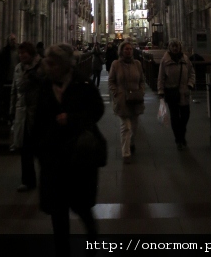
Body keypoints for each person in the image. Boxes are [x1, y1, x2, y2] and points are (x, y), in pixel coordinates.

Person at [33, 44, 104, 257]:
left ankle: (93, 244)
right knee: (58, 211)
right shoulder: (46, 84)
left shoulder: (83, 82)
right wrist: (40, 148)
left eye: (52, 63)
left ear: (63, 65)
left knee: (82, 207)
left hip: (78, 157)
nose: (48, 67)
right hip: (54, 158)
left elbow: (97, 109)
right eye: (47, 63)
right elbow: (38, 119)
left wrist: (72, 119)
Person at [9, 42, 44, 192]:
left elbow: (47, 87)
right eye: (20, 53)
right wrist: (12, 110)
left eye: (24, 53)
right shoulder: (18, 68)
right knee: (25, 149)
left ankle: (47, 177)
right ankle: (27, 180)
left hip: (37, 113)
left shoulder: (41, 66)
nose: (21, 55)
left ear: (31, 53)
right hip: (22, 112)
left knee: (41, 148)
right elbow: (14, 90)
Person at [108, 40, 145, 163]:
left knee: (134, 127)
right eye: (126, 49)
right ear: (121, 51)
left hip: (135, 98)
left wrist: (141, 91)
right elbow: (111, 81)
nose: (128, 51)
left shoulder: (137, 64)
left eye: (130, 49)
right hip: (122, 100)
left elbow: (142, 80)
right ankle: (126, 153)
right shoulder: (116, 64)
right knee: (126, 127)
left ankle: (131, 142)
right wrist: (116, 93)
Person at [157, 39, 195, 150]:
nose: (175, 48)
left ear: (179, 47)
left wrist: (190, 84)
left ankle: (182, 133)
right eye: (173, 46)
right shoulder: (165, 60)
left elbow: (192, 72)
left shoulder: (185, 59)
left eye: (176, 46)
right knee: (174, 116)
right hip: (171, 92)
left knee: (185, 115)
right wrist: (160, 91)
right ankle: (179, 139)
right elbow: (161, 77)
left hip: (184, 91)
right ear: (170, 48)